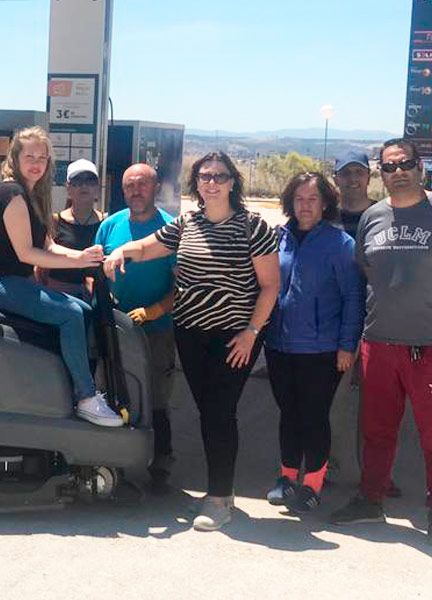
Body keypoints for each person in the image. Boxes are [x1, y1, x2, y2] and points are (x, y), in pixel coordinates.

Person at [104, 151, 280, 530]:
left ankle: (219, 498)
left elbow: (269, 288)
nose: (211, 182)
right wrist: (122, 251)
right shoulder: (188, 223)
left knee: (220, 411)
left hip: (235, 338)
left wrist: (251, 333)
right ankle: (222, 490)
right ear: (196, 183)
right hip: (190, 333)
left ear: (233, 181)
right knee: (209, 411)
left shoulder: (253, 227)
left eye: (219, 176)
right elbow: (149, 246)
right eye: (204, 176)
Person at [0, 126, 122, 428]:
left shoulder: (33, 195)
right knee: (68, 314)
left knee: (84, 310)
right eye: (29, 156)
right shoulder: (12, 193)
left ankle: (73, 386)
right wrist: (78, 260)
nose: (36, 162)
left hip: (12, 281)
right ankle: (86, 397)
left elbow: (47, 244)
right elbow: (26, 253)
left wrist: (86, 256)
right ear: (16, 158)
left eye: (42, 156)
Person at [330, 139, 432, 534]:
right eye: (390, 166)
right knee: (376, 430)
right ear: (382, 173)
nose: (399, 171)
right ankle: (370, 500)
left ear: (420, 166)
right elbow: (366, 275)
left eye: (406, 163)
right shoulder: (373, 218)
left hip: (426, 344)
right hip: (379, 342)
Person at [263, 172, 364, 513]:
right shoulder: (278, 239)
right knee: (288, 413)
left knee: (314, 415)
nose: (305, 206)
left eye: (312, 200)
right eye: (299, 200)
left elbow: (353, 298)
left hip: (322, 349)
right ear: (291, 203)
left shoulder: (341, 245)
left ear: (325, 204)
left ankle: (313, 484)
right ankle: (287, 477)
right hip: (279, 344)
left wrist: (347, 345)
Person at [95, 163, 177, 492]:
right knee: (114, 393)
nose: (136, 191)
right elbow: (94, 271)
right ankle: (115, 463)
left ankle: (161, 466)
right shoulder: (110, 225)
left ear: (156, 188)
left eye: (142, 185)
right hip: (115, 327)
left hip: (157, 329)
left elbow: (182, 285)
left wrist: (155, 310)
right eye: (130, 186)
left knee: (155, 398)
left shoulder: (170, 229)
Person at [43, 159, 104, 301]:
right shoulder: (54, 221)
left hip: (96, 299)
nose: (84, 186)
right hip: (60, 297)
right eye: (77, 181)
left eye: (90, 181)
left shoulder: (107, 223)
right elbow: (41, 267)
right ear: (68, 188)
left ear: (97, 188)